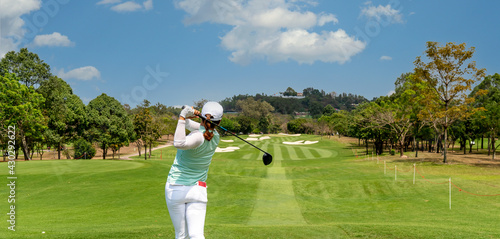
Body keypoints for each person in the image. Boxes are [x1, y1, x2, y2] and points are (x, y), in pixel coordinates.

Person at [165, 101, 223, 239]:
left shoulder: (197, 137)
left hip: (176, 187)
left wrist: (183, 115)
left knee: (181, 235)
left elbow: (178, 143)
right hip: (198, 190)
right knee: (197, 235)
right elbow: (193, 126)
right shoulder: (215, 137)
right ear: (219, 121)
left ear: (203, 117)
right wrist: (187, 118)